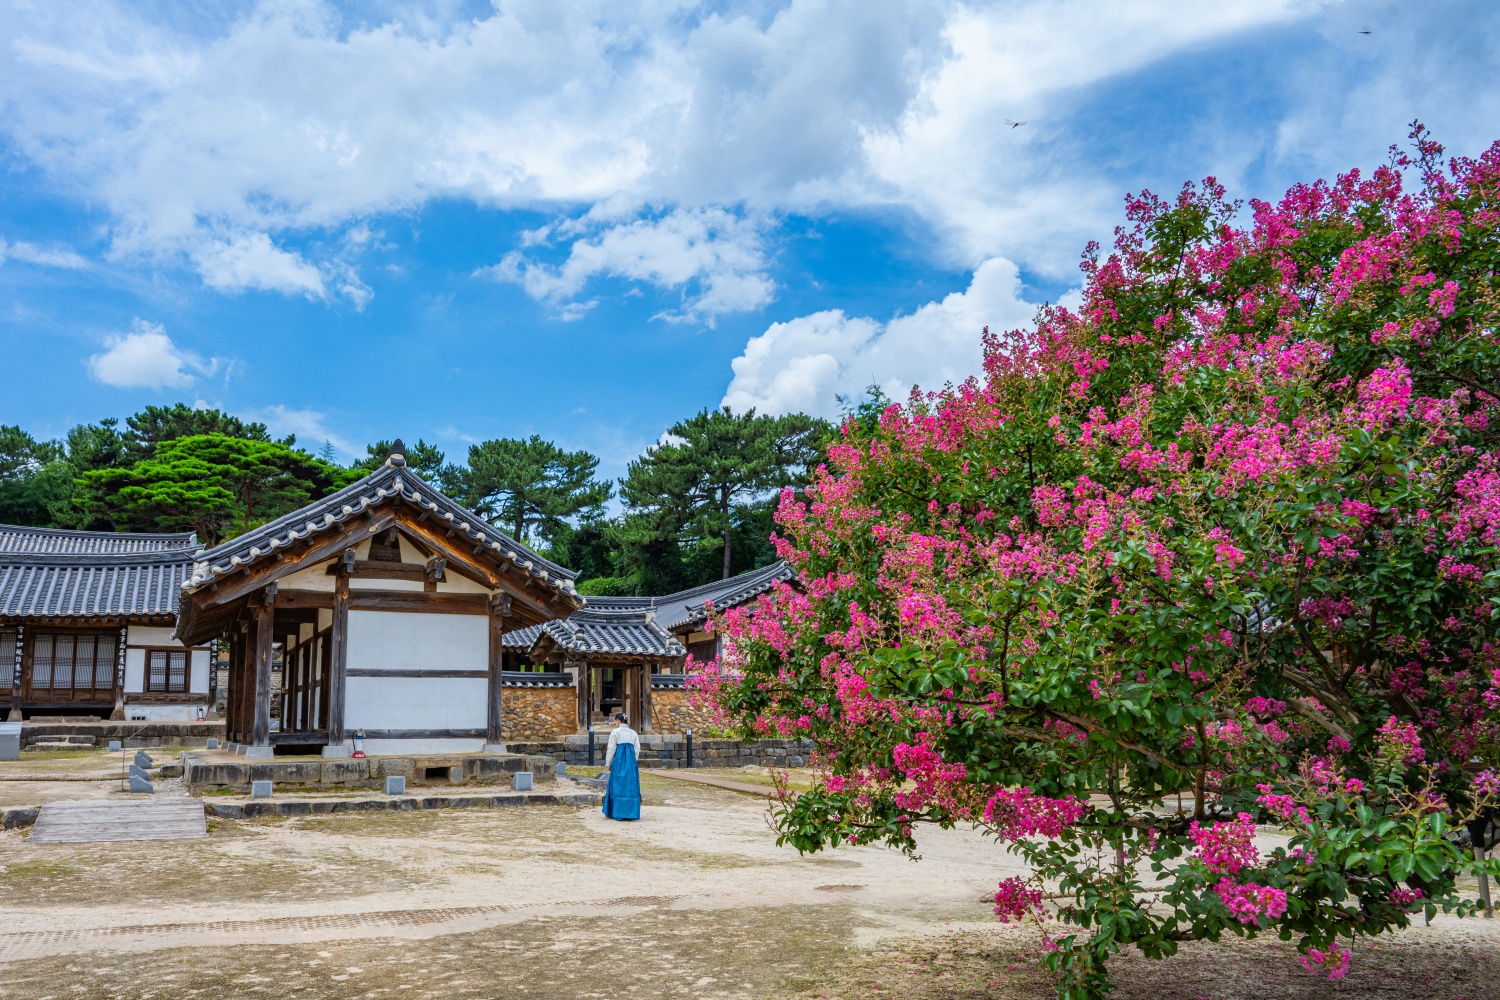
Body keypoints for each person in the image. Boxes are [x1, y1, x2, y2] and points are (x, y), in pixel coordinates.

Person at [602, 712, 641, 821]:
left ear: (618, 720)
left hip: (619, 761)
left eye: (616, 721)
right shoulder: (633, 733)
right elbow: (637, 750)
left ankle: (617, 811)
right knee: (630, 785)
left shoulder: (615, 732)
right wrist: (633, 761)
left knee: (617, 784)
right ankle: (630, 812)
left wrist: (608, 763)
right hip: (631, 761)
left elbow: (611, 749)